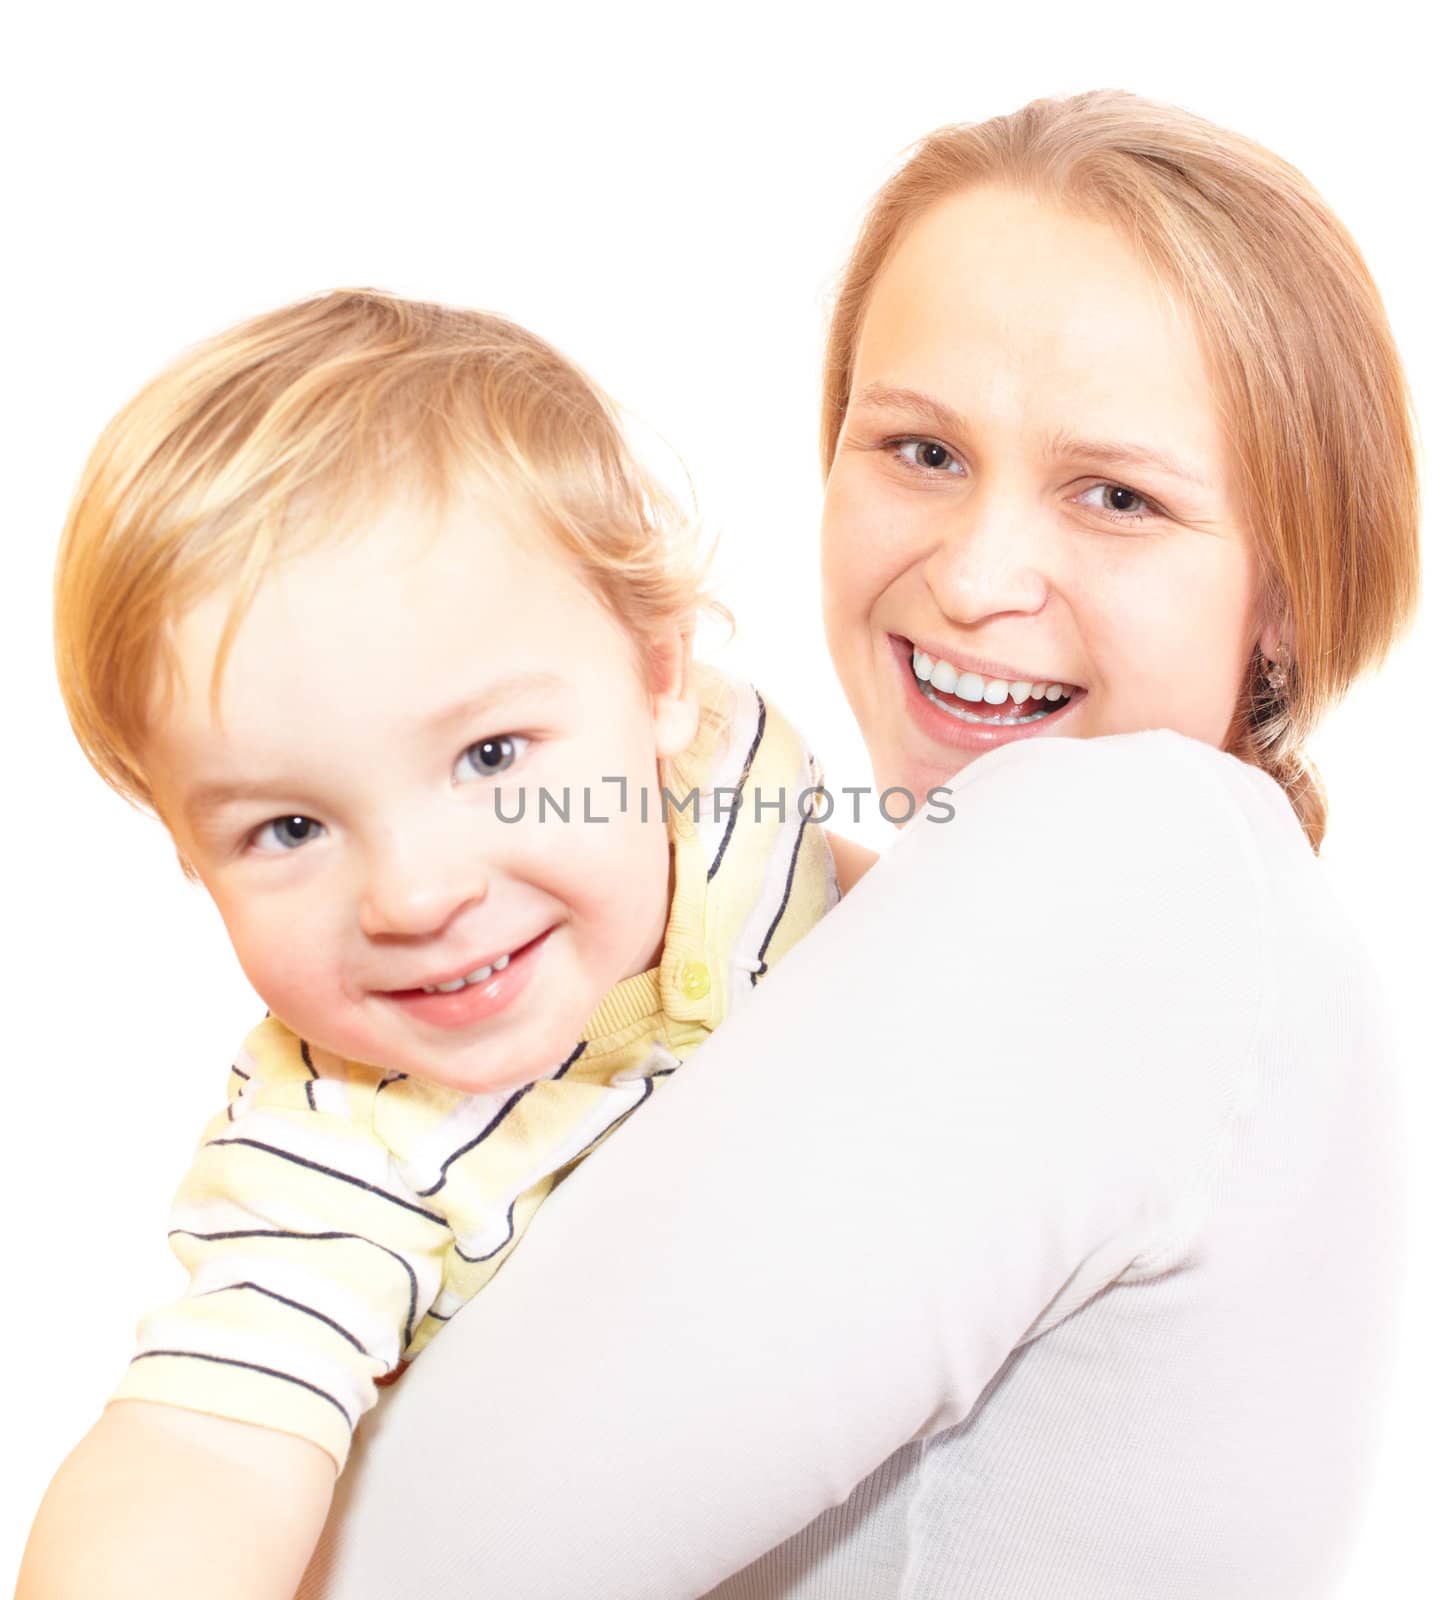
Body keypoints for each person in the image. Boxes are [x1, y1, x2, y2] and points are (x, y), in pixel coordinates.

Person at [289, 91, 1421, 1598]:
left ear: (1284, 595)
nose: (973, 577)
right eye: (921, 451)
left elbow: (410, 1571)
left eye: (1116, 495)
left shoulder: (1135, 853)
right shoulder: (830, 940)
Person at [16, 292, 845, 1597]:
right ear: (187, 851)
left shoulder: (732, 770)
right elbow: (205, 1443)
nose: (411, 893)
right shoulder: (339, 1142)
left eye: (489, 757)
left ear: (656, 681)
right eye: (289, 827)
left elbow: (916, 913)